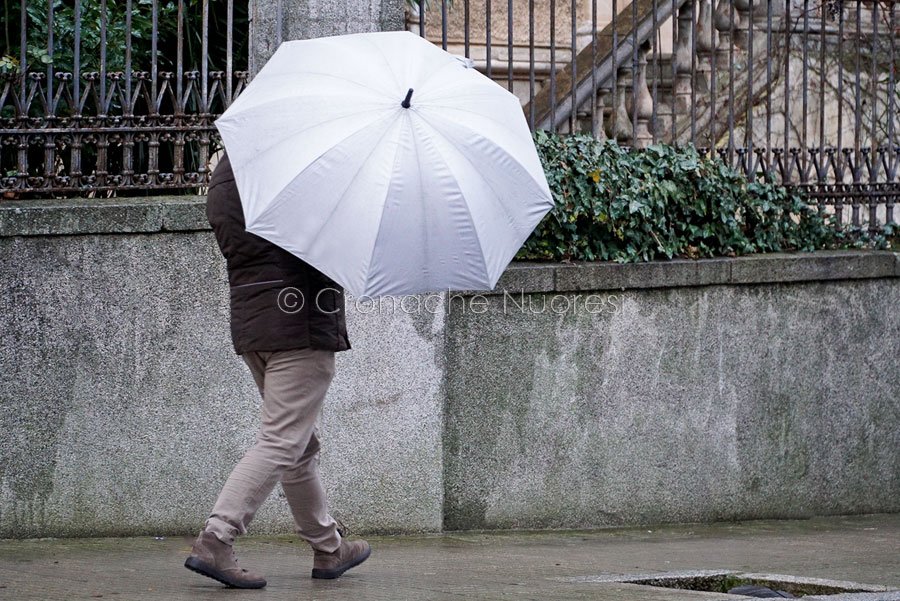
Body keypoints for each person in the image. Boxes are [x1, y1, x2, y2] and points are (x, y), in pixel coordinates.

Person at [184, 153, 370, 589]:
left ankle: (329, 548)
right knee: (282, 440)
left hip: (255, 322)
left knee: (299, 445)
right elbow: (332, 239)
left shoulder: (233, 170)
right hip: (299, 320)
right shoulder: (306, 167)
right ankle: (216, 538)